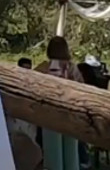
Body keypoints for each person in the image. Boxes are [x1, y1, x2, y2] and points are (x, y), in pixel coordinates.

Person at [35, 36, 85, 170]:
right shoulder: (72, 68)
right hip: (70, 112)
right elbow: (82, 87)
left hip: (50, 113)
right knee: (71, 153)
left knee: (53, 154)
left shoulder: (43, 67)